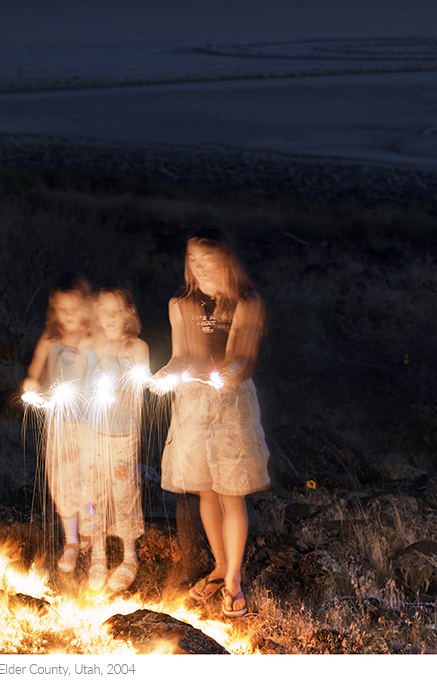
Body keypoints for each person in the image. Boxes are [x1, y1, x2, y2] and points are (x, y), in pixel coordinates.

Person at [154, 229, 269, 619]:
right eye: (193, 259)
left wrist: (227, 375)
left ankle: (234, 580)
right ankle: (220, 566)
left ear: (227, 261)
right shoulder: (182, 303)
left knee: (229, 491)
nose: (199, 267)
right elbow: (181, 355)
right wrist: (164, 375)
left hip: (231, 406)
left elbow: (243, 358)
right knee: (204, 490)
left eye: (209, 260)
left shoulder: (246, 302)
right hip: (192, 404)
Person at [22, 274, 97, 574]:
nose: (67, 316)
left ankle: (91, 524)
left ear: (86, 308)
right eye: (61, 309)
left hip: (90, 423)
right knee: (61, 478)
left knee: (88, 475)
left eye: (74, 309)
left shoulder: (94, 341)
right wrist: (31, 386)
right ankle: (71, 540)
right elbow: (34, 373)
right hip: (60, 423)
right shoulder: (50, 340)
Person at [83, 287, 150, 592]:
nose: (109, 317)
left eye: (116, 310)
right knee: (95, 493)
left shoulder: (137, 348)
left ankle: (129, 556)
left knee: (125, 493)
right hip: (94, 433)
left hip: (124, 434)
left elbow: (141, 385)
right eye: (103, 310)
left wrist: (122, 392)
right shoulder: (91, 346)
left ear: (128, 314)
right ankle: (98, 556)